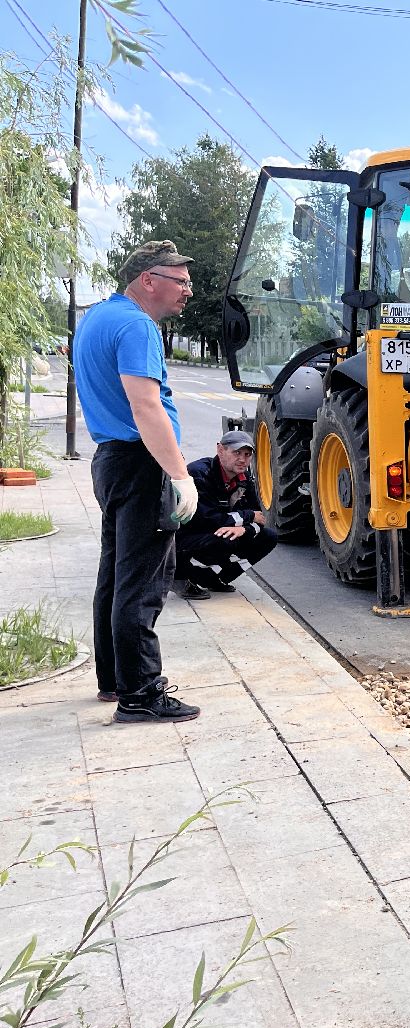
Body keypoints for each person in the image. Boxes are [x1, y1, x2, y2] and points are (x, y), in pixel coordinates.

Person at [73, 240, 201, 723]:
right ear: (148, 279)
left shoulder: (98, 319)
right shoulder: (137, 325)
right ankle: (142, 694)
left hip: (111, 460)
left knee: (115, 575)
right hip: (141, 465)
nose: (188, 291)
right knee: (143, 582)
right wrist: (179, 475)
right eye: (180, 281)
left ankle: (115, 680)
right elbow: (145, 406)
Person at [176, 430, 279, 600]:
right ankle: (180, 576)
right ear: (220, 450)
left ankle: (213, 578)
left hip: (216, 532)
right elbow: (208, 520)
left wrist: (244, 529)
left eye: (247, 455)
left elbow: (259, 518)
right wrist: (246, 517)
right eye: (236, 453)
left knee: (268, 537)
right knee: (225, 538)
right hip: (184, 537)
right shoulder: (199, 473)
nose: (242, 460)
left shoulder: (244, 478)